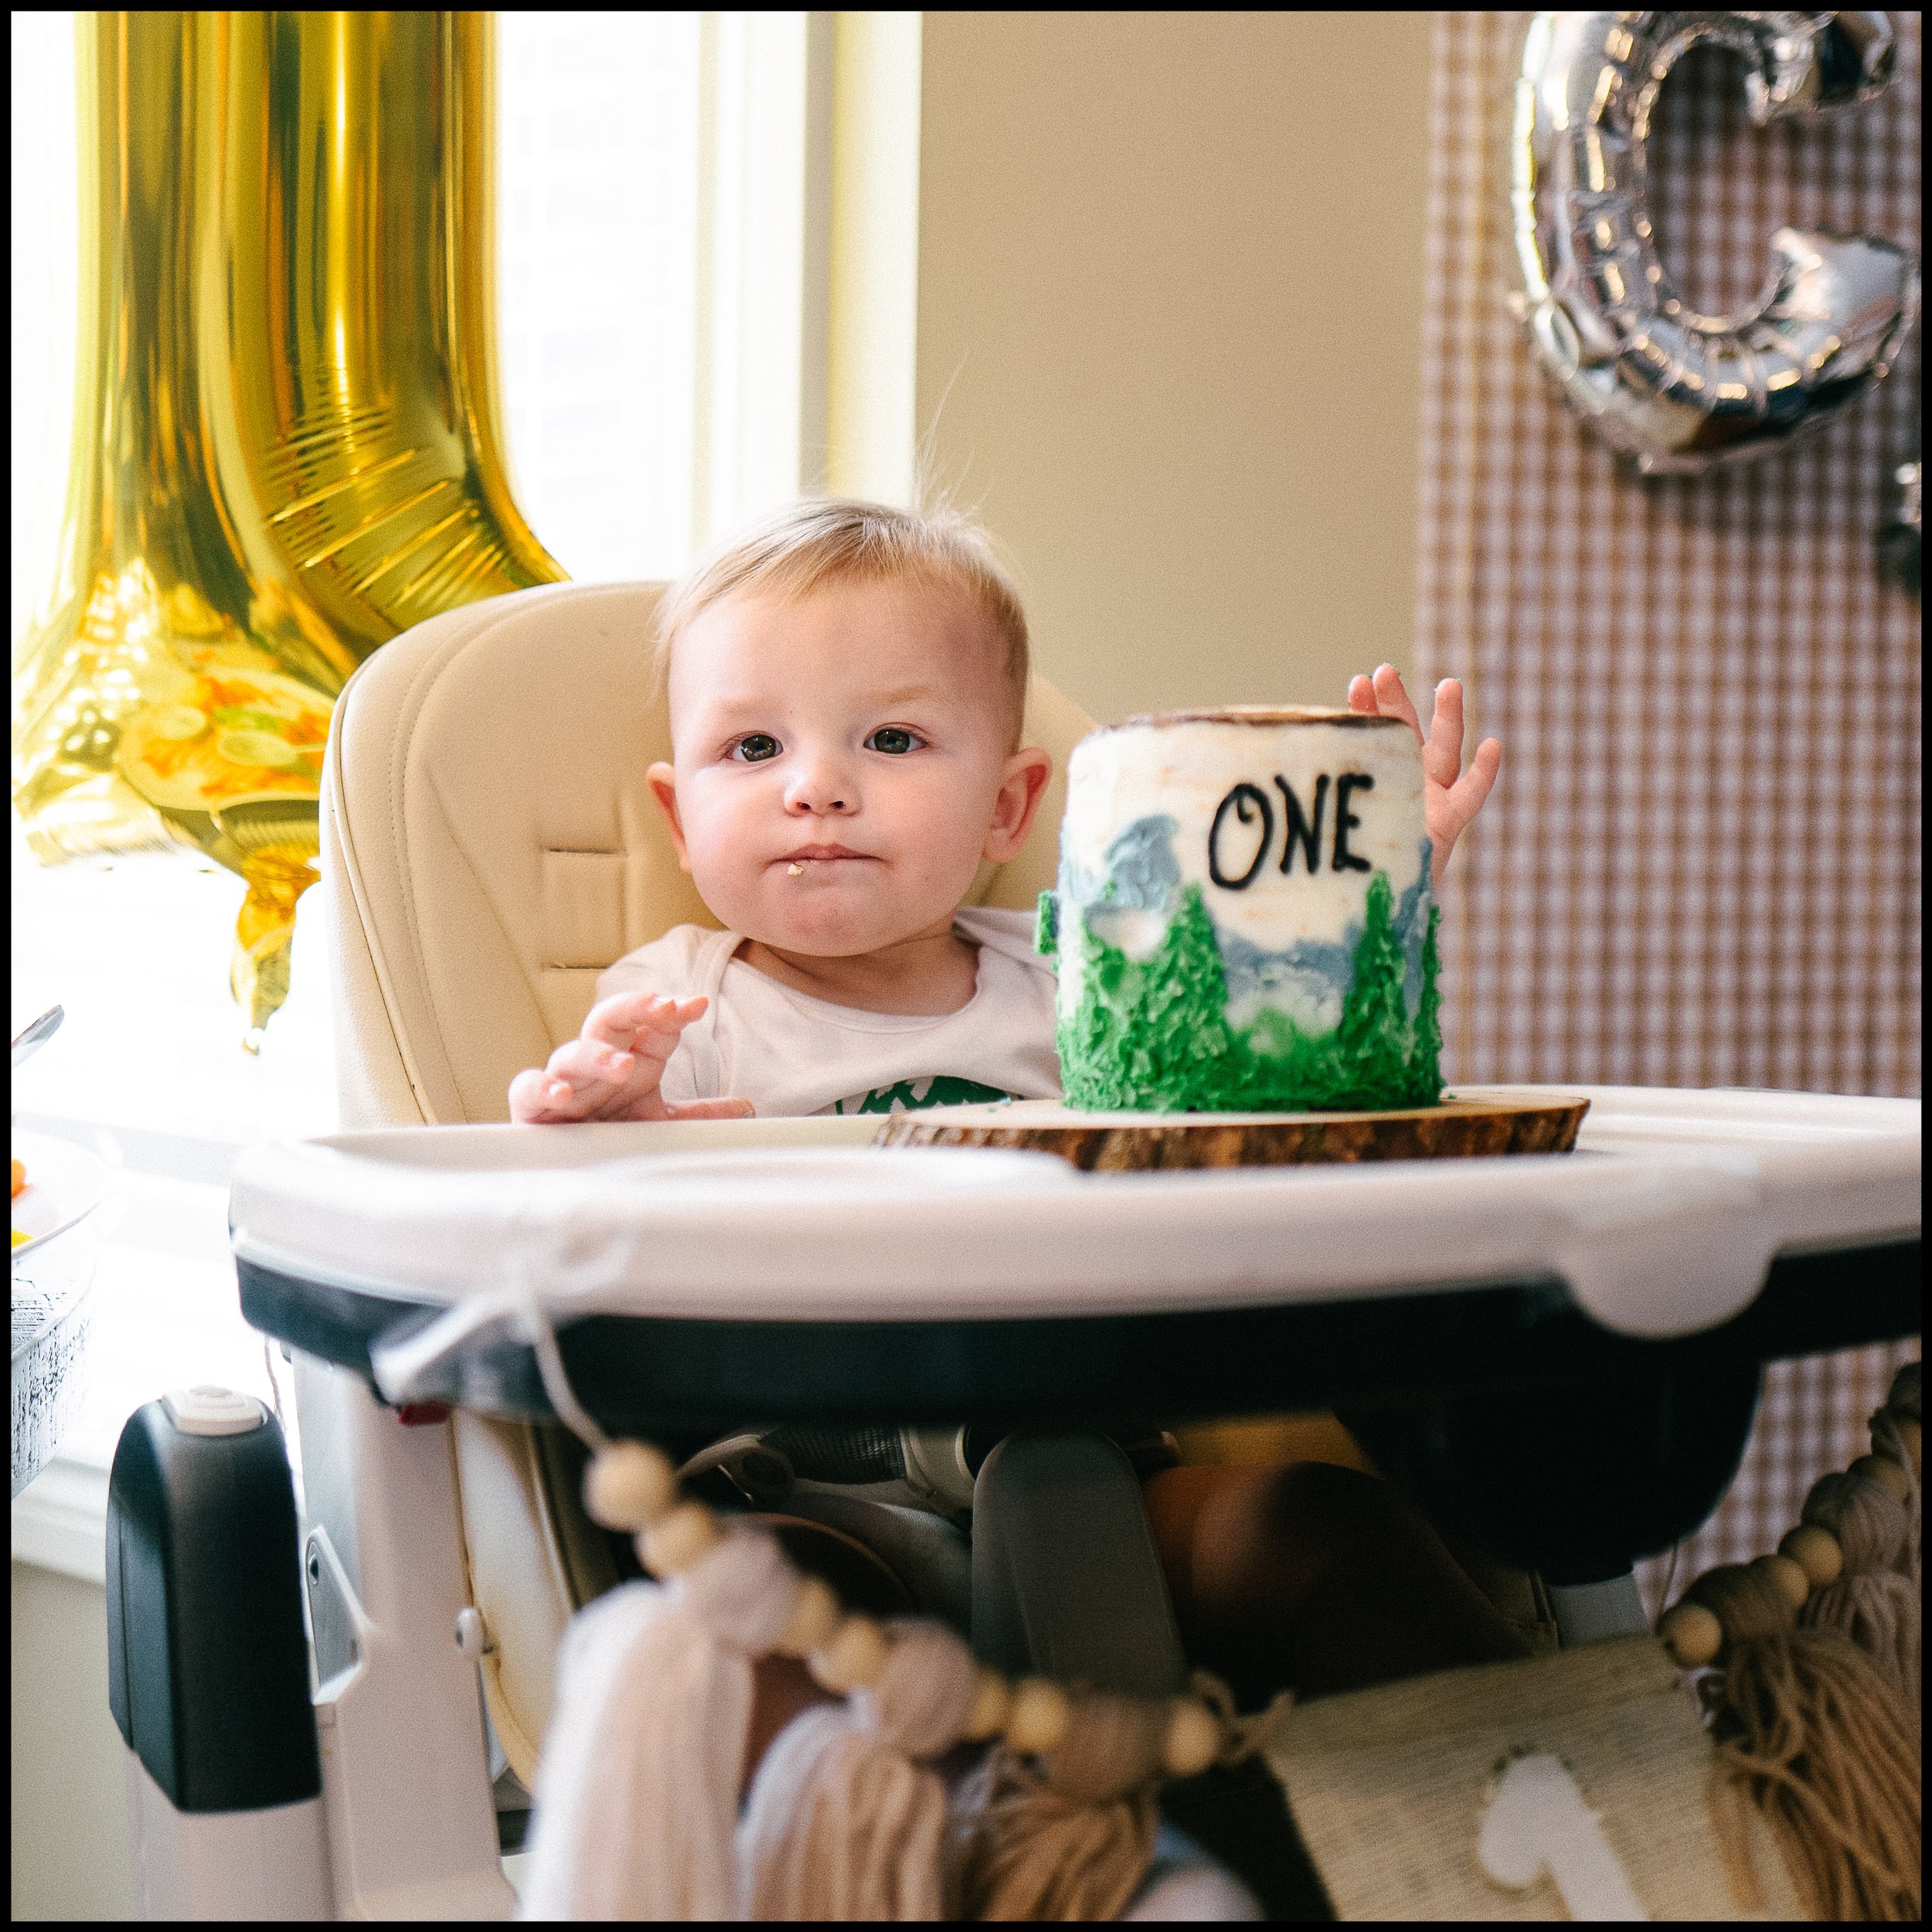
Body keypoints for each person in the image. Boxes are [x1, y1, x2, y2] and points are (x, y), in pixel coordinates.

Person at [508, 498, 1522, 1760]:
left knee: (1328, 1538)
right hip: (803, 1487)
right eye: (752, 748)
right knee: (740, 1637)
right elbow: (573, 1244)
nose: (816, 788)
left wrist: (1362, 896)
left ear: (1007, 806)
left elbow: (1266, 1101)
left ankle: (1553, 1826)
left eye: (890, 739)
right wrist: (612, 1131)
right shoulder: (675, 1009)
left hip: (1108, 1463)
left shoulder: (1089, 981)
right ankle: (928, 1855)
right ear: (679, 816)